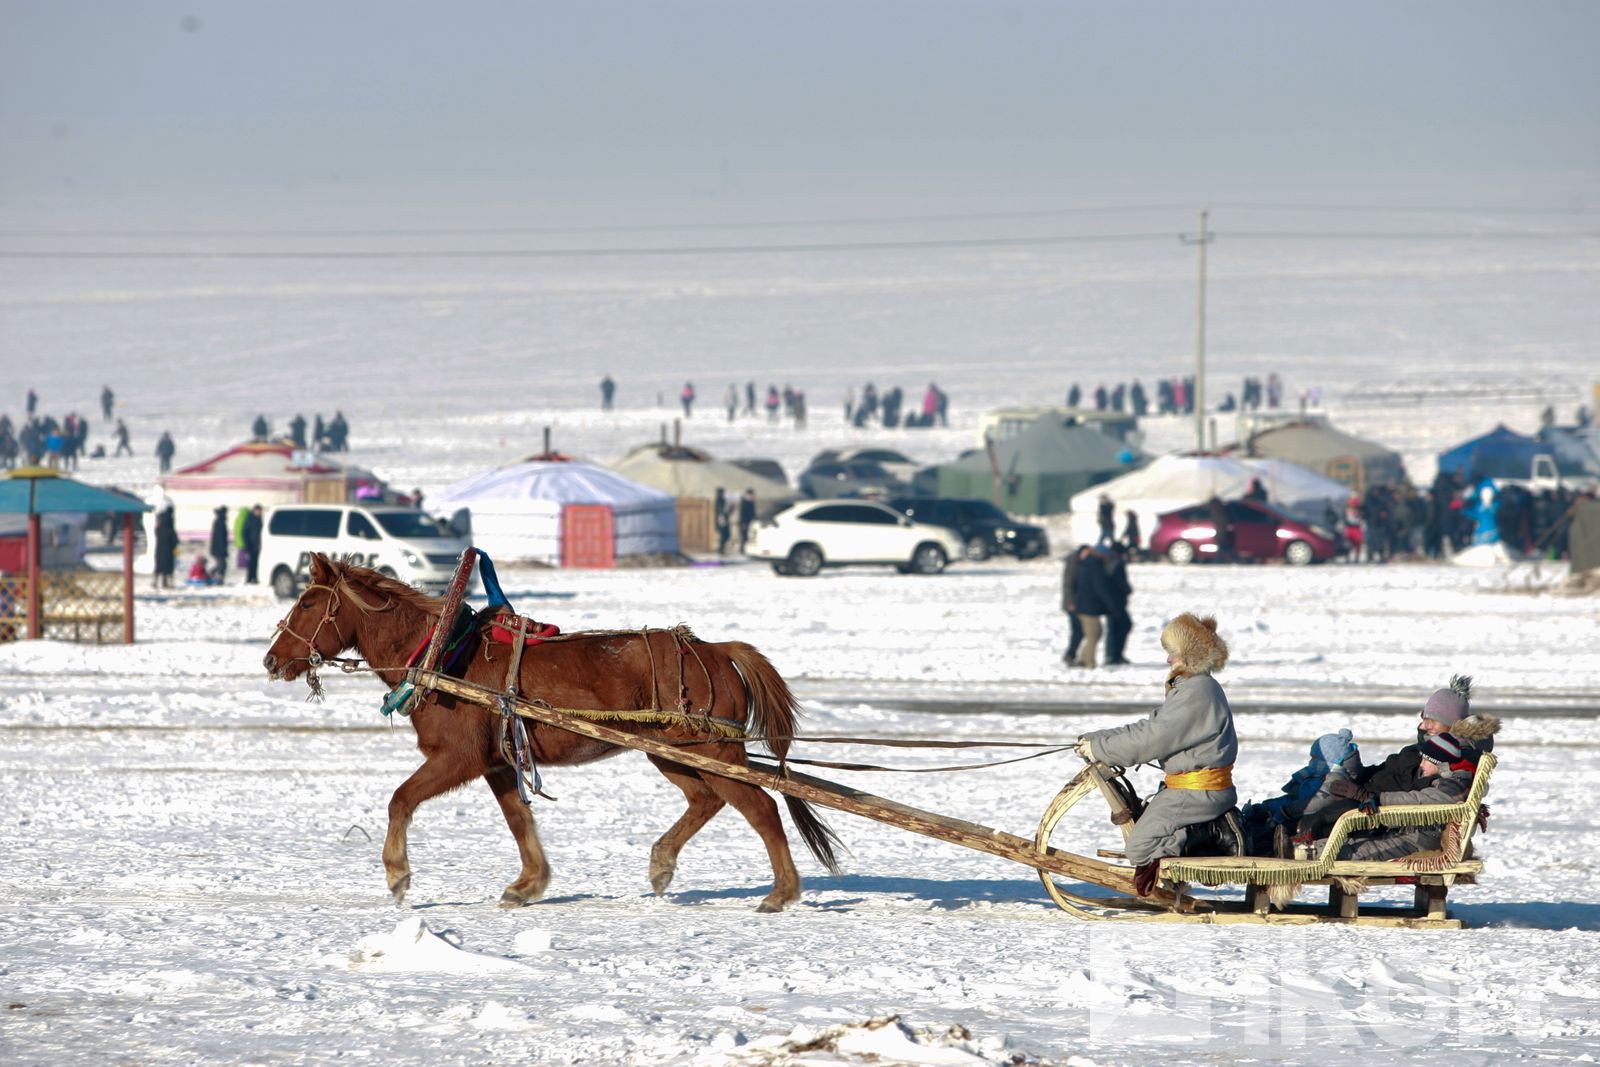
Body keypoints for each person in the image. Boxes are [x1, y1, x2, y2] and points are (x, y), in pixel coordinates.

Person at [1075, 613, 1238, 896]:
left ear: (1189, 655)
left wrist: (1101, 750)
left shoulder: (1197, 691)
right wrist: (1098, 740)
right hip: (1188, 788)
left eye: (1172, 654)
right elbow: (1150, 726)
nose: (1167, 660)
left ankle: (1210, 835)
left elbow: (1156, 738)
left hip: (1197, 793)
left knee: (1140, 847)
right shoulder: (1192, 686)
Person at [1071, 545, 1116, 669]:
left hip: (1085, 605)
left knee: (1095, 633)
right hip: (1089, 606)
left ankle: (1083, 658)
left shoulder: (1087, 564)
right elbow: (1100, 588)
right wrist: (1111, 605)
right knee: (1093, 634)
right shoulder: (1095, 567)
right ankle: (1089, 662)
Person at [1060, 544, 1091, 666]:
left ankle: (1072, 655)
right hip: (1072, 604)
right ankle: (1070, 655)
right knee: (1078, 631)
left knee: (1080, 631)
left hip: (1076, 603)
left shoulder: (1077, 563)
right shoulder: (1073, 564)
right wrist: (1071, 603)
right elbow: (1068, 585)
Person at [153, 505, 178, 590]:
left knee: (159, 566)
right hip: (169, 551)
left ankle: (155, 582)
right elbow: (175, 540)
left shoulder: (160, 527)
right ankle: (166, 582)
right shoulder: (170, 527)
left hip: (159, 550)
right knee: (168, 568)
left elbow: (156, 533)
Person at [242, 504, 264, 584]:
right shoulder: (250, 519)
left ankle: (254, 577)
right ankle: (249, 578)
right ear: (255, 510)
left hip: (257, 544)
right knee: (251, 562)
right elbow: (244, 532)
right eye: (258, 511)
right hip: (251, 544)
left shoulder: (259, 519)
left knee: (255, 562)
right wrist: (247, 544)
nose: (260, 512)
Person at [1207, 495, 1233, 560]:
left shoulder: (1215, 512)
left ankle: (1221, 559)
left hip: (1220, 533)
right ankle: (1226, 558)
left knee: (1222, 546)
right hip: (1221, 532)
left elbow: (1220, 523)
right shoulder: (1220, 512)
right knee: (1223, 546)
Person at [209, 506, 230, 585]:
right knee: (222, 565)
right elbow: (220, 537)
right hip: (219, 548)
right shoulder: (221, 522)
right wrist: (223, 549)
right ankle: (217, 578)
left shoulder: (218, 521)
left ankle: (217, 577)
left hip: (217, 548)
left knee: (221, 564)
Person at [713, 488, 731, 555]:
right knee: (724, 535)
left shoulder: (723, 500)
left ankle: (721, 548)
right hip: (721, 519)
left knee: (726, 535)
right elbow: (720, 510)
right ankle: (721, 549)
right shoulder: (719, 500)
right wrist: (723, 515)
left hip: (724, 519)